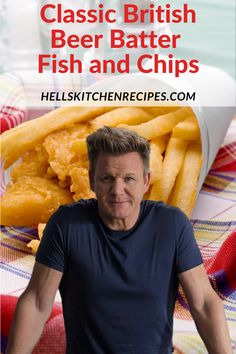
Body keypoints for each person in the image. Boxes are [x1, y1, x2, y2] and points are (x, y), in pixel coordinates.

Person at [6, 126, 232, 354]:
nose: (117, 190)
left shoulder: (172, 224)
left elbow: (203, 302)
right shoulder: (66, 224)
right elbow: (36, 302)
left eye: (129, 179)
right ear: (92, 181)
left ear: (146, 181)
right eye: (107, 178)